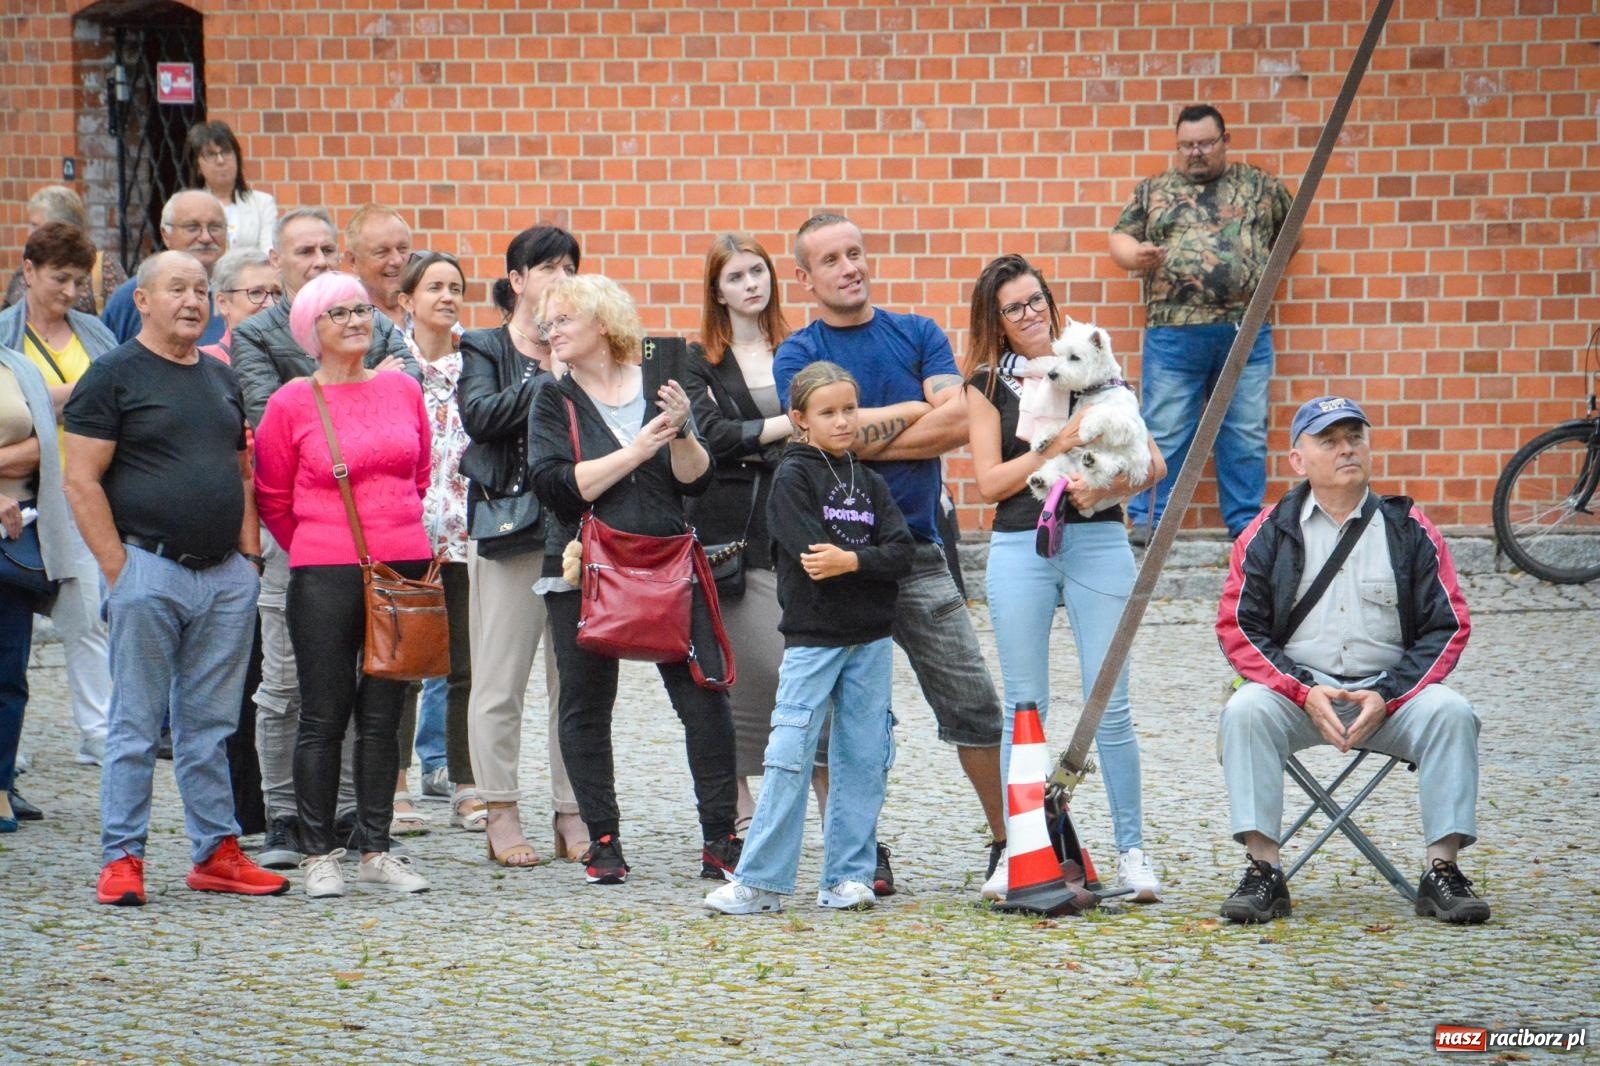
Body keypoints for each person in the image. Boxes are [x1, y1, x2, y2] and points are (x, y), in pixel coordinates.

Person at [771, 213, 1005, 897]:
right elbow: (824, 439)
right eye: (831, 260)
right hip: (832, 568)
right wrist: (917, 414)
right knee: (834, 724)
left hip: (916, 553)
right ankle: (858, 853)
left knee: (973, 703)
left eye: (855, 253)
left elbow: (962, 419)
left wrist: (858, 434)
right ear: (805, 278)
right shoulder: (798, 353)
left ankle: (1009, 844)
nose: (850, 267)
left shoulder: (918, 332)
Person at [62, 250, 287, 906]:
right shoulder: (112, 376)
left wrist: (248, 562)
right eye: (177, 289)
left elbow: (240, 472)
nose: (192, 301)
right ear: (143, 300)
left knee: (210, 727)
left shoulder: (219, 378)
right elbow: (80, 481)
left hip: (223, 579)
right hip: (148, 570)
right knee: (135, 725)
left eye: (200, 290)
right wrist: (120, 570)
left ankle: (216, 852)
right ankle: (122, 857)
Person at [1215, 396, 1486, 924]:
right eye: (1329, 441)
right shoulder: (1266, 532)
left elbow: (1448, 625)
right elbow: (1238, 628)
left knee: (1452, 712)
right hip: (1296, 696)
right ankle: (1264, 870)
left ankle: (1443, 871)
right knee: (1244, 711)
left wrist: (1388, 694)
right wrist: (1301, 690)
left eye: (1354, 438)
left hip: (1390, 697)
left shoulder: (1409, 528)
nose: (1346, 450)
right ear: (1298, 460)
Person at [964, 255, 1167, 904]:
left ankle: (1132, 852)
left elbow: (1153, 463)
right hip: (1019, 543)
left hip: (1098, 540)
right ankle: (1019, 851)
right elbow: (990, 483)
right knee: (1024, 707)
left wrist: (1104, 490)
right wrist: (1057, 444)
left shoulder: (1091, 364)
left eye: (1036, 300)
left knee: (1110, 702)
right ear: (996, 321)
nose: (1031, 314)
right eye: (1014, 307)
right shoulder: (986, 384)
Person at [528, 273, 741, 886]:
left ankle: (720, 839)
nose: (551, 332)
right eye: (547, 324)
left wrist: (683, 432)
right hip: (584, 565)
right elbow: (557, 485)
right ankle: (603, 841)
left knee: (705, 697)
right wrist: (638, 449)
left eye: (563, 320)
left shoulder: (661, 383)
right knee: (586, 705)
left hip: (668, 560)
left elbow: (697, 479)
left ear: (603, 322)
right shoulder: (553, 398)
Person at [232, 207, 416, 870]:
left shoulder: (373, 319)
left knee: (376, 691)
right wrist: (311, 536)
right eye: (303, 251)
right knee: (292, 687)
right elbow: (268, 423)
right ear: (277, 262)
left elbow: (411, 414)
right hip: (308, 543)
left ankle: (351, 816)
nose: (317, 260)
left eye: (326, 249)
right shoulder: (256, 334)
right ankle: (286, 817)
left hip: (387, 544)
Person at [704, 361, 914, 914]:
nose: (842, 421)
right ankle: (761, 881)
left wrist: (854, 561)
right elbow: (813, 557)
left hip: (870, 639)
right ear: (800, 419)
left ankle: (848, 876)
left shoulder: (869, 481)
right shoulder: (792, 478)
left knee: (864, 755)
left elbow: (902, 552)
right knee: (790, 753)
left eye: (849, 409)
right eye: (828, 412)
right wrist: (862, 562)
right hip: (813, 637)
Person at [1109, 104, 1294, 541]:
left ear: (1224, 140)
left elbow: (1293, 233)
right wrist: (1135, 255)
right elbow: (1119, 238)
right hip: (1173, 333)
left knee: (1245, 431)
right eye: (1187, 145)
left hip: (1246, 330)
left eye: (1205, 143)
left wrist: (1255, 268)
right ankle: (1150, 519)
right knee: (1166, 427)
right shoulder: (1154, 190)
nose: (1195, 152)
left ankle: (1245, 523)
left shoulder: (1260, 185)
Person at [458, 225, 582, 868]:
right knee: (499, 681)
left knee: (575, 683)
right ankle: (500, 810)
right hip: (510, 529)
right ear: (517, 280)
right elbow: (480, 417)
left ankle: (572, 810)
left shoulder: (585, 341)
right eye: (549, 268)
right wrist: (545, 373)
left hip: (576, 531)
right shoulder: (484, 346)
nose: (562, 278)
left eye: (570, 268)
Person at [683, 234, 793, 833]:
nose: (751, 284)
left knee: (796, 664)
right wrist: (789, 425)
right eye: (736, 276)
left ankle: (803, 794)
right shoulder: (700, 358)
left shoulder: (797, 347)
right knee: (749, 665)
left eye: (758, 271)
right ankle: (742, 802)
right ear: (717, 292)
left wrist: (756, 437)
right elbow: (713, 436)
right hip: (733, 525)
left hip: (798, 513)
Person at [0, 221, 117, 766]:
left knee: (88, 615)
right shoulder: (6, 336)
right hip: (21, 499)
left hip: (85, 493)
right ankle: (9, 743)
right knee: (9, 629)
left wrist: (53, 400)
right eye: (59, 278)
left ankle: (98, 731)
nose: (70, 292)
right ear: (28, 271)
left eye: (77, 280)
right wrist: (77, 394)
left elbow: (118, 394)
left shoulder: (95, 335)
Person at [394, 251, 482, 831]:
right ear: (407, 300)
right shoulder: (388, 365)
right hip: (404, 531)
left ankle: (465, 783)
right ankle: (395, 784)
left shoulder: (477, 363)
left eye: (455, 287)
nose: (447, 296)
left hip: (465, 533)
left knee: (464, 668)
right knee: (402, 663)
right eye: (434, 287)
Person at [0, 344, 88, 827]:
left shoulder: (15, 366)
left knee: (9, 671)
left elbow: (42, 449)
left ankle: (1, 785)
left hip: (14, 539)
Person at [101, 190, 230, 347]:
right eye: (192, 227)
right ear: (166, 235)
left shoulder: (242, 293)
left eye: (215, 227)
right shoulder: (133, 296)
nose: (206, 237)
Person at [2, 185, 127, 315]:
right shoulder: (28, 268)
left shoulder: (102, 267)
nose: (29, 233)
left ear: (59, 226)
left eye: (35, 225)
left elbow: (124, 317)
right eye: (60, 279)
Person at [186, 120, 279, 255]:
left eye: (226, 152)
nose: (221, 160)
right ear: (198, 167)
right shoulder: (188, 206)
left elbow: (268, 251)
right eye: (211, 155)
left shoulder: (262, 203)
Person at [201, 248, 281, 363]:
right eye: (256, 293)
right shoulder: (205, 363)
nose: (271, 304)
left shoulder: (298, 361)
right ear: (223, 303)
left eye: (278, 293)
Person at [343, 205, 412, 330]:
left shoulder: (430, 309)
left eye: (402, 249)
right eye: (382, 252)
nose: (397, 260)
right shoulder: (344, 321)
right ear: (353, 260)